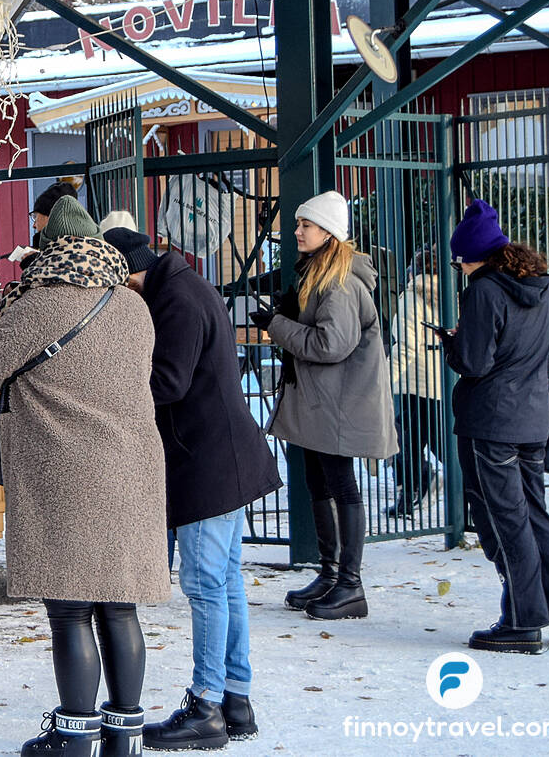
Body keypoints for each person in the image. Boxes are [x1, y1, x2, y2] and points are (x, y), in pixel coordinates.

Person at [0, 197, 168, 756]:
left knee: (71, 607)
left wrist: (7, 314)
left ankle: (75, 736)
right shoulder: (133, 306)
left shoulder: (41, 302)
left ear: (49, 249)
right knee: (119, 602)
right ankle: (125, 734)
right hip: (132, 469)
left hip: (67, 471)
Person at [106, 227, 282, 750]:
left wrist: (111, 382)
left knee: (206, 586)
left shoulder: (175, 300)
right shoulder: (185, 285)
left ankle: (205, 706)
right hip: (221, 454)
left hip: (206, 461)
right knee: (225, 582)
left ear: (127, 275)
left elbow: (169, 382)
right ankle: (236, 699)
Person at [439, 200, 549, 654]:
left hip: (491, 421)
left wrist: (453, 345)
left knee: (505, 522)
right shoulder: (541, 286)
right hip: (534, 419)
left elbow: (476, 362)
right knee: (536, 515)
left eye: (461, 261)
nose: (460, 268)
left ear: (475, 257)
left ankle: (522, 622)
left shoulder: (483, 290)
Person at [252, 191, 397, 622]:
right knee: (319, 483)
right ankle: (331, 573)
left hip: (340, 404)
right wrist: (285, 317)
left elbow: (330, 345)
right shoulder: (318, 276)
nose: (297, 232)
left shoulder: (340, 284)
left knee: (341, 486)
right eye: (297, 224)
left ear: (328, 234)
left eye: (305, 226)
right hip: (322, 401)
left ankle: (351, 584)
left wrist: (277, 326)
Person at [387, 251, 444, 518]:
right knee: (414, 440)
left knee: (404, 439)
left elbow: (407, 348)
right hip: (439, 380)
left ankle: (418, 488)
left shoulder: (412, 298)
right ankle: (411, 494)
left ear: (413, 271)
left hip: (415, 381)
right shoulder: (446, 295)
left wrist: (385, 379)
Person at [30, 179, 78, 248]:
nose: (34, 225)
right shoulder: (84, 243)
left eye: (35, 216)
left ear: (50, 217)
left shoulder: (63, 249)